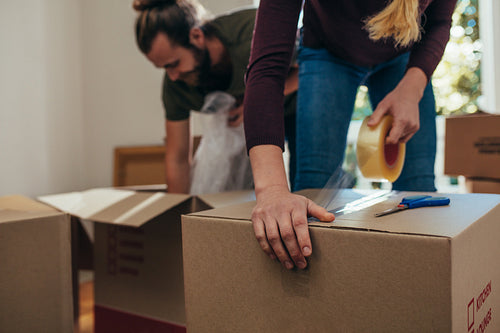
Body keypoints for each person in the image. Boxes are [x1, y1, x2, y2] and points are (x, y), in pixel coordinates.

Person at [243, 0, 457, 270]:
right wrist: (271, 190)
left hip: (404, 53)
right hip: (328, 50)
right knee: (314, 192)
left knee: (419, 188)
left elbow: (438, 21)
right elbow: (267, 67)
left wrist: (413, 86)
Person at [132, 0, 298, 193]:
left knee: (304, 181)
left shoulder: (250, 35)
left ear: (196, 36)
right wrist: (177, 214)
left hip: (293, 106)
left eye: (173, 64)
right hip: (248, 130)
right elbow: (177, 157)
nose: (173, 76)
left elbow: (308, 67)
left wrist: (254, 105)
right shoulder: (175, 85)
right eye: (163, 68)